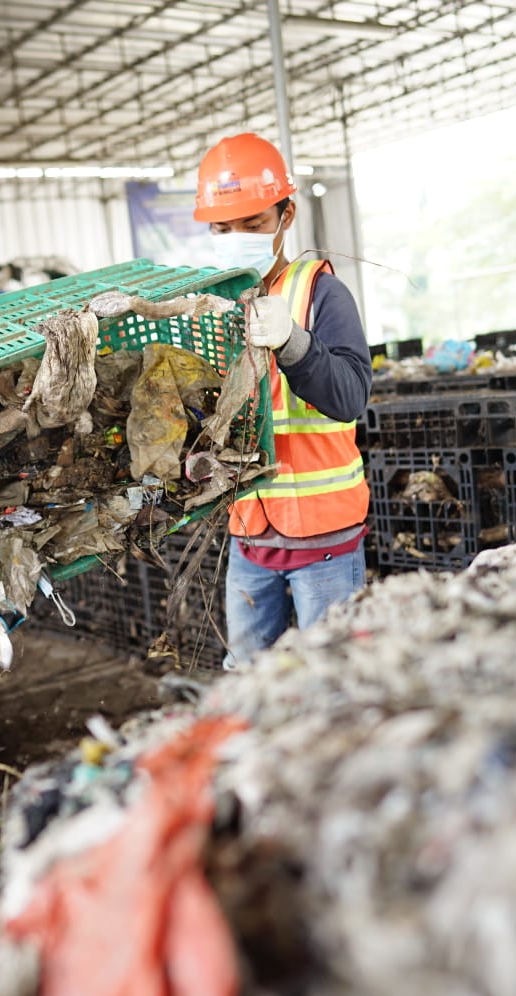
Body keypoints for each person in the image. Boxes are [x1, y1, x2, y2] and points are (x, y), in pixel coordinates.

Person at [193, 133, 372, 665]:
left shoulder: (320, 292)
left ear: (286, 214)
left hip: (324, 542)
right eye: (223, 229)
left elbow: (350, 395)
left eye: (253, 224)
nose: (237, 238)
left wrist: (294, 343)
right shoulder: (214, 305)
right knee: (250, 679)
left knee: (331, 677)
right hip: (251, 536)